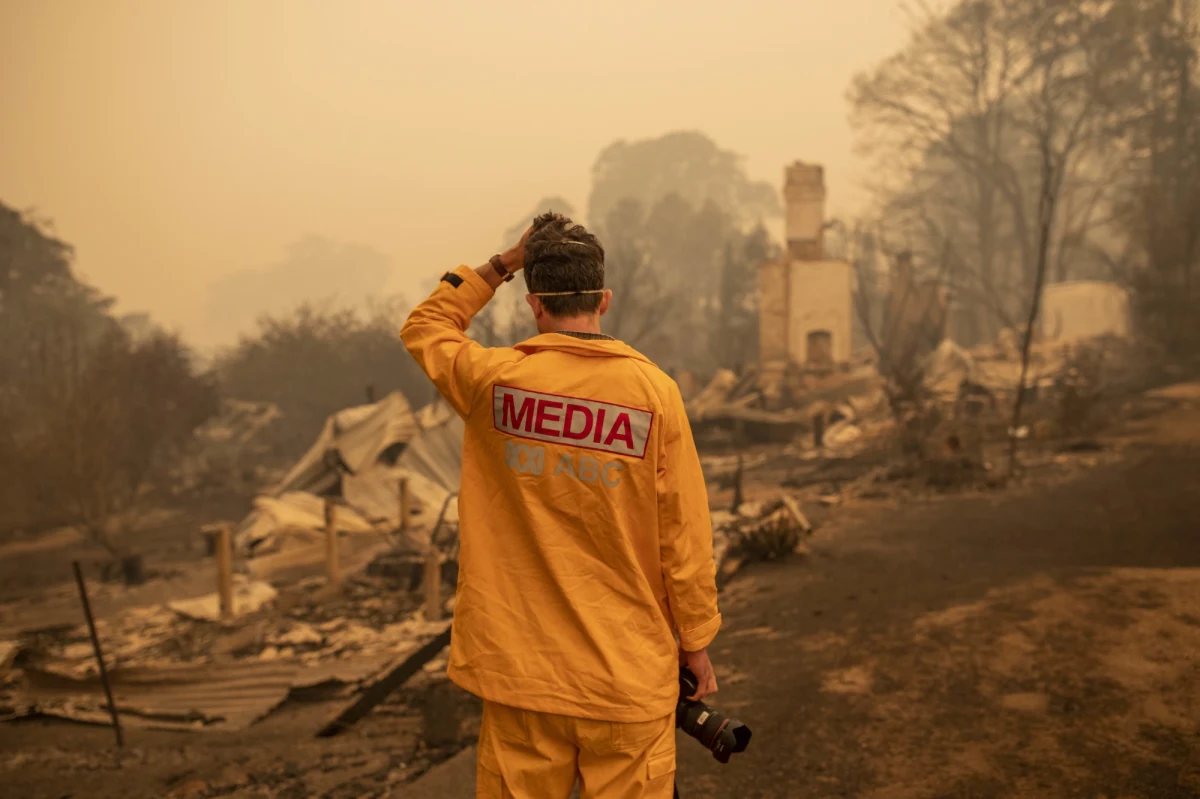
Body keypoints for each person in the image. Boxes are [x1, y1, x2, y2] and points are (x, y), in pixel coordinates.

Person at [401, 212, 721, 798]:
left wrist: (501, 264)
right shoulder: (654, 394)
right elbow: (685, 534)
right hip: (627, 678)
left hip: (523, 677)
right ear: (604, 298)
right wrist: (695, 643)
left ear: (534, 306)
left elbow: (426, 325)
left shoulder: (494, 382)